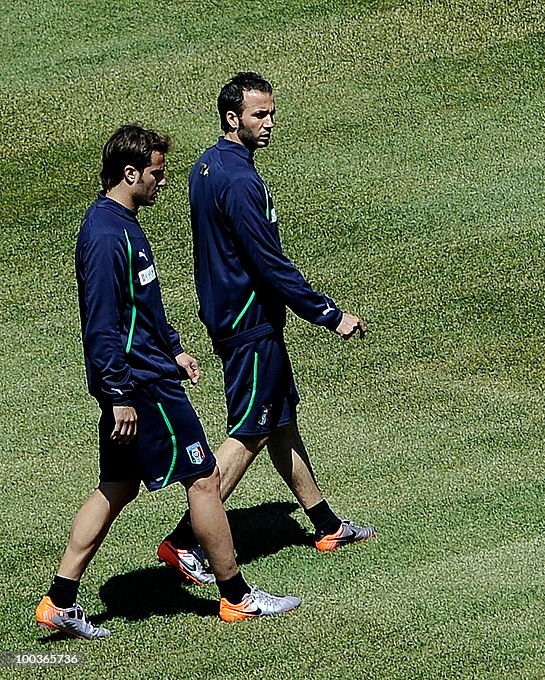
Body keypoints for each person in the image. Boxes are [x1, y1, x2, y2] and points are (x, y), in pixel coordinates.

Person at [36, 125, 300, 640]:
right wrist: (118, 395)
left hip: (147, 375)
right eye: (156, 173)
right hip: (142, 389)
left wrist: (175, 346)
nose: (162, 181)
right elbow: (103, 324)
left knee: (116, 486)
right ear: (130, 172)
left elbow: (142, 305)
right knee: (203, 479)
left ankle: (59, 601)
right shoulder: (107, 235)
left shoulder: (119, 223)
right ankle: (237, 597)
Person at [157, 73, 374, 584]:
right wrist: (328, 313)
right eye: (260, 115)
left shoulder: (206, 167)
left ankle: (325, 524)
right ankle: (186, 540)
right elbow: (268, 263)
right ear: (233, 118)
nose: (270, 123)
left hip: (231, 313)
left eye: (272, 113)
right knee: (251, 430)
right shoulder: (239, 180)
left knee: (281, 422)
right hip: (249, 322)